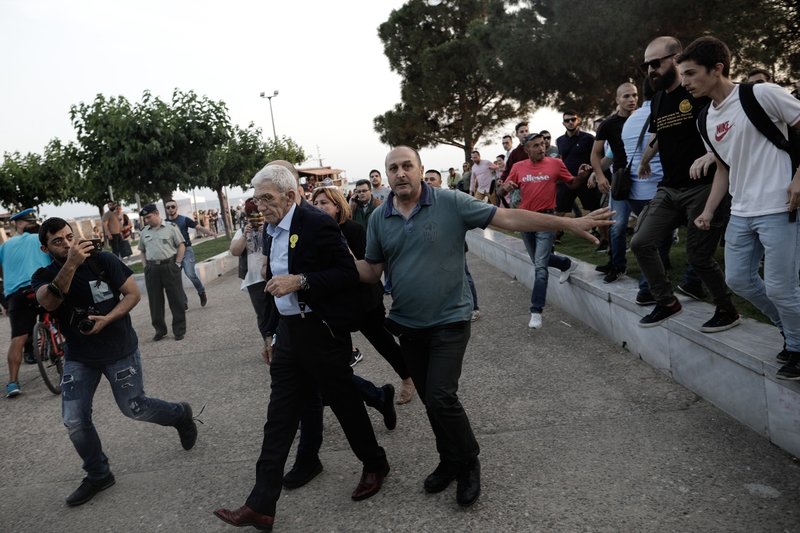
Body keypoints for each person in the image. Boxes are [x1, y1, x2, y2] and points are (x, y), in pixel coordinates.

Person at [356, 146, 612, 508]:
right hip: (409, 325)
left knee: (442, 396)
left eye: (406, 166)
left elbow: (508, 219)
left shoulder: (450, 202)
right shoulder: (380, 218)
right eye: (392, 168)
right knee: (431, 401)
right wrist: (329, 265)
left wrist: (568, 223)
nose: (399, 173)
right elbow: (371, 270)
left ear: (420, 169)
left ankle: (469, 461)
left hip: (450, 318)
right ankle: (449, 460)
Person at [214, 163, 390, 531]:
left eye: (267, 198)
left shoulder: (316, 223)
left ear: (291, 196)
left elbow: (346, 272)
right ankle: (261, 504)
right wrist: (272, 333)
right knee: (279, 417)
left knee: (344, 403)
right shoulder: (271, 227)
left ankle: (375, 463)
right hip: (290, 334)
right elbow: (273, 280)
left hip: (322, 333)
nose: (260, 205)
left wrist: (301, 281)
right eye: (256, 198)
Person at [32, 217, 197, 506]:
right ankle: (98, 474)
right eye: (58, 241)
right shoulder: (44, 276)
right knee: (73, 419)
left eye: (70, 236)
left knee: (134, 407)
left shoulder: (103, 261)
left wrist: (108, 318)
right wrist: (70, 264)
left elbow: (132, 294)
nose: (68, 244)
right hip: (80, 357)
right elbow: (49, 302)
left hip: (119, 348)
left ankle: (179, 415)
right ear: (45, 248)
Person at [677, 37, 800, 378]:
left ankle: (797, 343)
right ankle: (793, 332)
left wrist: (799, 178)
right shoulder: (704, 120)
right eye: (682, 74)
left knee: (780, 287)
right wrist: (709, 209)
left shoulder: (761, 94)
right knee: (739, 280)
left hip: (779, 206)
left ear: (717, 69)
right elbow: (724, 167)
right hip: (741, 211)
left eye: (690, 73)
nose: (684, 82)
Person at [632, 35, 740, 332]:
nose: (651, 70)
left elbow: (724, 126)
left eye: (656, 63)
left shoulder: (699, 92)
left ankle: (726, 308)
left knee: (699, 257)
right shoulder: (656, 101)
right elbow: (660, 135)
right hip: (669, 187)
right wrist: (644, 159)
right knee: (641, 242)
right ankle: (667, 301)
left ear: (677, 59)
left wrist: (710, 154)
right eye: (647, 66)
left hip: (705, 187)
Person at [502, 134, 591, 329]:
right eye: (536, 146)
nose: (541, 148)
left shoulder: (555, 163)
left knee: (540, 268)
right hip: (525, 220)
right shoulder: (518, 167)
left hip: (547, 219)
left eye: (543, 144)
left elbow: (572, 184)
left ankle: (536, 310)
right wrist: (505, 188)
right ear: (527, 150)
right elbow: (502, 191)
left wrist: (582, 176)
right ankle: (566, 263)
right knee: (537, 260)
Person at [590, 82, 639, 282]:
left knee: (658, 227)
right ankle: (617, 265)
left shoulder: (643, 120)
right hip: (621, 181)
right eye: (626, 96)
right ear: (617, 99)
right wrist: (600, 176)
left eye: (635, 95)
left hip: (646, 179)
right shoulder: (608, 124)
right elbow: (595, 154)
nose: (632, 100)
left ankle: (660, 265)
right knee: (617, 226)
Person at [0, 208, 52, 397]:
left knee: (18, 338)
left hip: (17, 293)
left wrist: (5, 295)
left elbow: (1, 271)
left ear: (19, 225)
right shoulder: (41, 239)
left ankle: (13, 383)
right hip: (42, 287)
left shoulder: (6, 246)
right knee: (63, 317)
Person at [426, 169, 482, 321]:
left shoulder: (449, 199)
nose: (428, 182)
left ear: (440, 182)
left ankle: (474, 308)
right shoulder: (422, 202)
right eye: (426, 179)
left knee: (464, 276)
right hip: (434, 249)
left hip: (454, 247)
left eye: (432, 179)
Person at [137, 204, 186, 341]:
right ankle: (160, 330)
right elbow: (142, 250)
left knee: (176, 299)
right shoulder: (144, 231)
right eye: (145, 218)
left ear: (157, 213)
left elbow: (181, 245)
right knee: (155, 301)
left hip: (169, 266)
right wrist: (145, 266)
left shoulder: (171, 228)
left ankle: (179, 330)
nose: (147, 220)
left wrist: (177, 263)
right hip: (152, 269)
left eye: (148, 217)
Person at [229, 199, 271, 340]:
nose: (255, 218)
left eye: (258, 214)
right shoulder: (242, 231)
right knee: (262, 315)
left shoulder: (271, 227)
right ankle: (268, 344)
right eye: (251, 215)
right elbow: (234, 251)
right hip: (254, 279)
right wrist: (244, 236)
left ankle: (281, 345)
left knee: (278, 312)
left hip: (272, 275)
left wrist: (266, 231)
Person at [164, 199, 216, 308]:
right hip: (173, 253)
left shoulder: (184, 220)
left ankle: (201, 292)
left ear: (176, 207)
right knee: (174, 278)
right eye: (168, 207)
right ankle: (183, 301)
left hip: (186, 250)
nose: (170, 209)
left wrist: (210, 232)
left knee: (190, 274)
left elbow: (199, 227)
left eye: (172, 206)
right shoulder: (164, 223)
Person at [556, 110, 601, 224]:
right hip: (567, 180)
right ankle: (553, 237)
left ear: (578, 120)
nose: (570, 122)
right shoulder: (560, 140)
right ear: (563, 123)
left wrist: (594, 175)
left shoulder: (589, 138)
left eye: (573, 119)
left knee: (595, 210)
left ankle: (604, 238)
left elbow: (597, 157)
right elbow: (561, 159)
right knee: (559, 211)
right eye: (567, 120)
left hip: (586, 180)